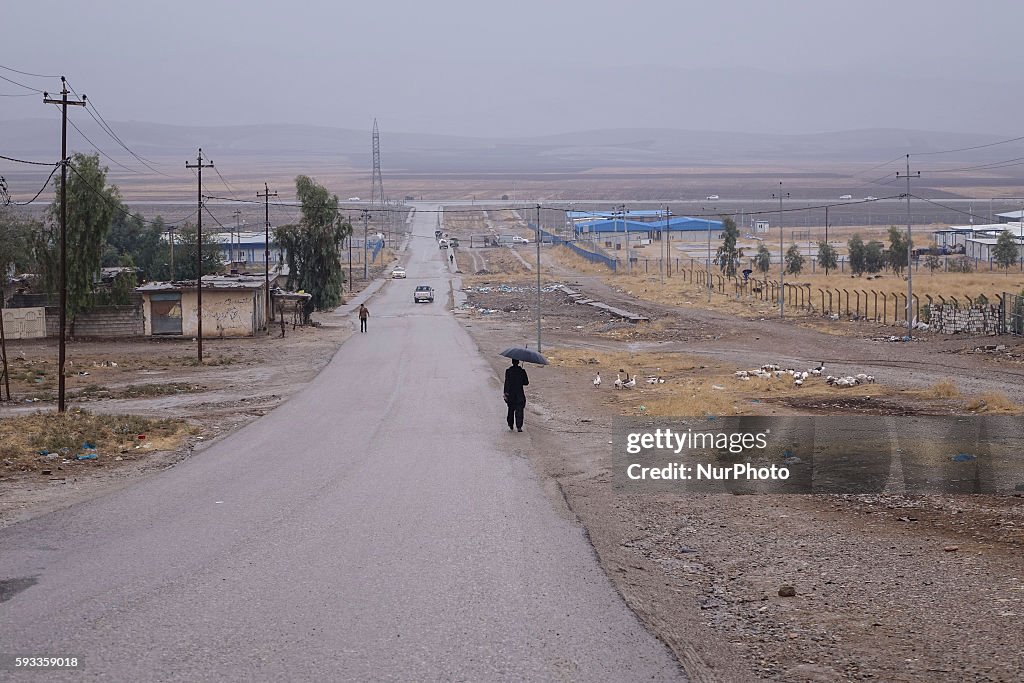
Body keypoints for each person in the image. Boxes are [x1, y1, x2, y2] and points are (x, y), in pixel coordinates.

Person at [503, 358, 530, 432]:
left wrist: (505, 393)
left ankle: (510, 424)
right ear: (518, 362)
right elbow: (526, 382)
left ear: (512, 362)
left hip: (511, 394)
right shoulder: (522, 371)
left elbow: (507, 383)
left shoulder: (508, 371)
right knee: (519, 410)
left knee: (510, 410)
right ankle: (519, 426)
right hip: (519, 394)